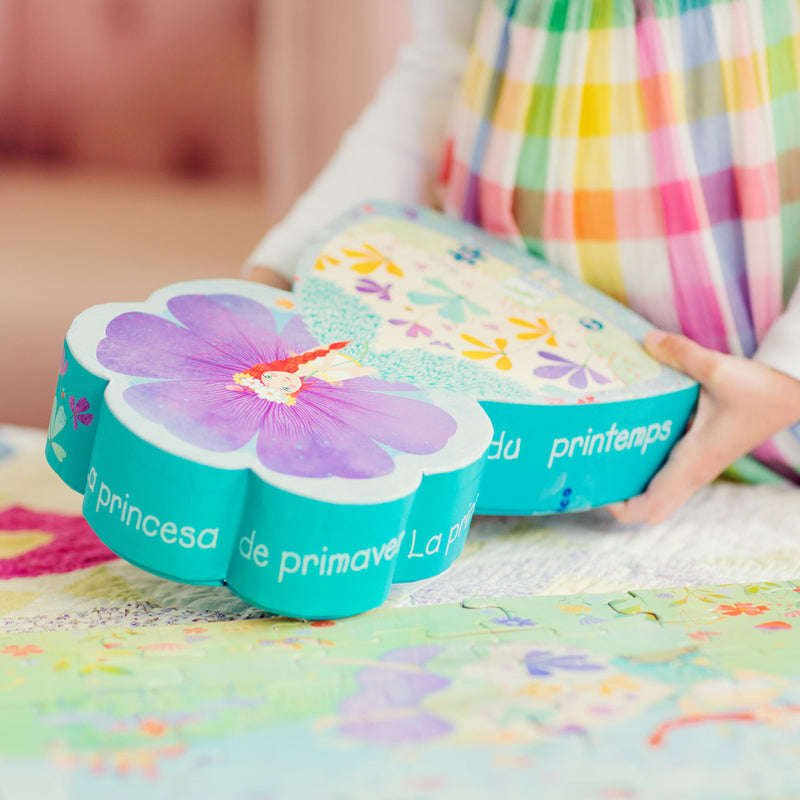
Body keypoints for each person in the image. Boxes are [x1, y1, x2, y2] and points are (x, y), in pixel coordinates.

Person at [243, 0, 800, 524]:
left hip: (761, 402)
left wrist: (784, 377)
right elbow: (439, 73)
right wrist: (280, 271)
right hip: (519, 388)